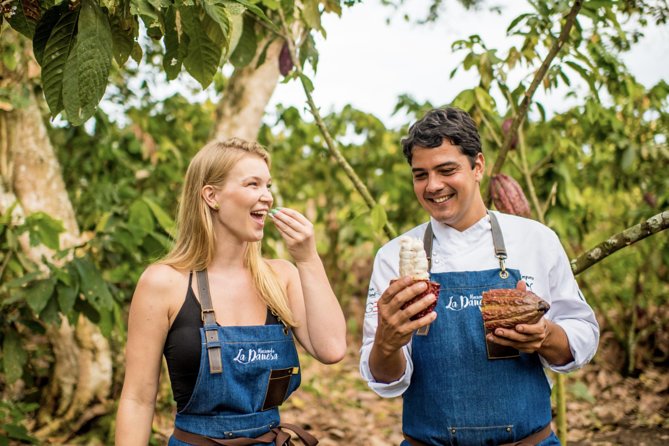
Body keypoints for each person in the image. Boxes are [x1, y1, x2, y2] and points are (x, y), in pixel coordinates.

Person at [360, 107, 599, 446]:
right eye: (420, 174)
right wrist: (387, 342)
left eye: (446, 170)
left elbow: (583, 333)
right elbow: (385, 379)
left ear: (478, 167)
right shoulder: (392, 257)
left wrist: (545, 337)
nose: (433, 186)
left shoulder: (535, 240)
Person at [116, 138, 347, 445]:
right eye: (253, 184)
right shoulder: (164, 283)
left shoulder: (281, 277)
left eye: (268, 185)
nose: (267, 196)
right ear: (212, 196)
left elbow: (331, 349)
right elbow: (137, 399)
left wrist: (307, 258)